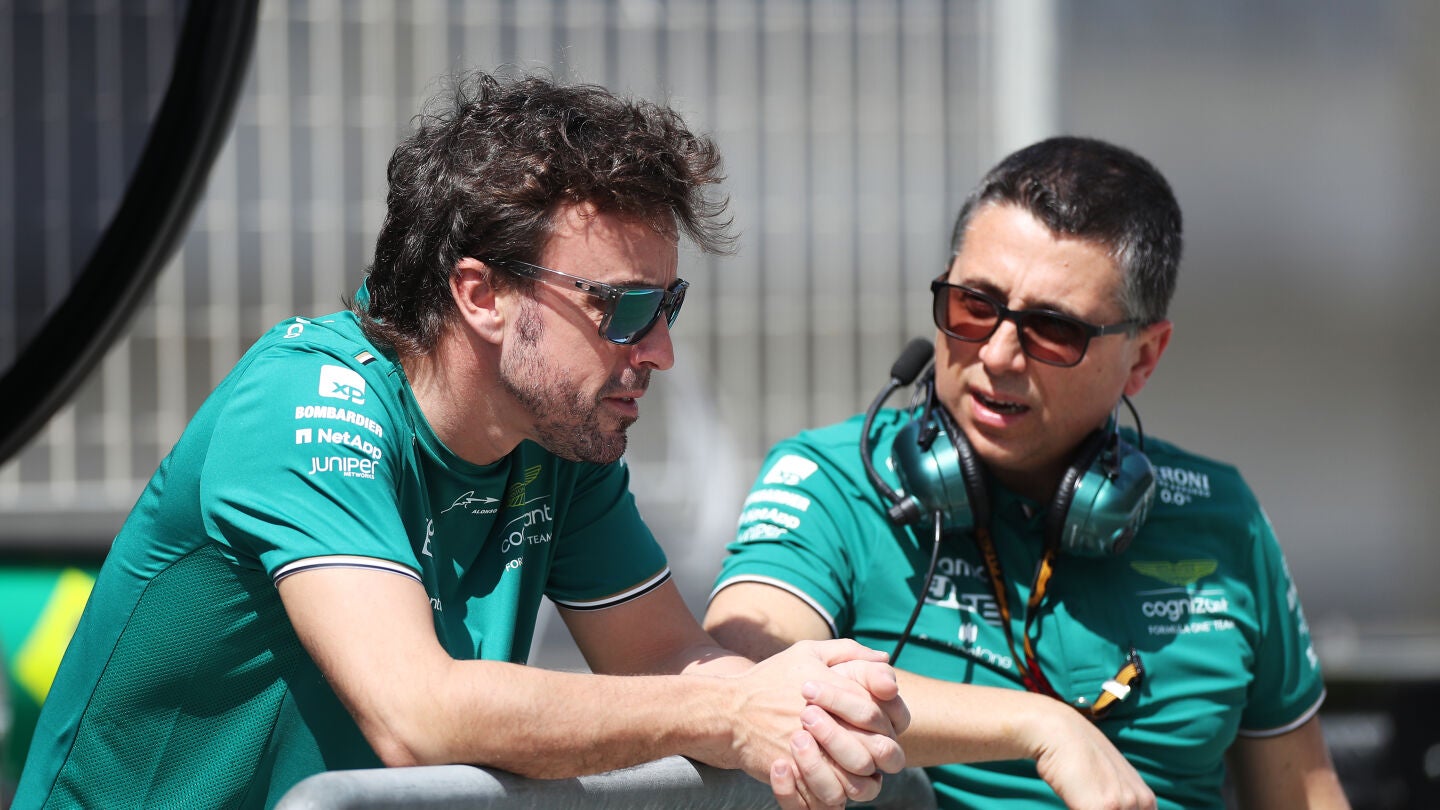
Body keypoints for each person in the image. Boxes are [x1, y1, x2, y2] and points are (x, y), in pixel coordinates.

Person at [13, 70, 910, 810]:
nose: (660, 351)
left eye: (667, 304)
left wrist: (815, 702)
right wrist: (726, 713)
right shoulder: (303, 402)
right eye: (626, 307)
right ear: (481, 296)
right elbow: (418, 715)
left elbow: (672, 663)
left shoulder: (561, 433)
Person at [704, 136, 1351, 810]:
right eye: (974, 306)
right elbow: (743, 681)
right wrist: (1039, 727)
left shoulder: (1222, 514)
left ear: (1142, 357)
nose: (998, 355)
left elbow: (1306, 792)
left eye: (1053, 330)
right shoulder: (832, 481)